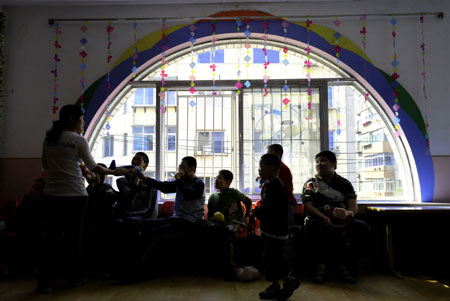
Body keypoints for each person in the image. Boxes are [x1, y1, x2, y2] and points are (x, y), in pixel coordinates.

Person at [36, 104, 129, 294]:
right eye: (81, 119)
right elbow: (94, 167)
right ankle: (74, 278)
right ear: (72, 118)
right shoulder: (78, 140)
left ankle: (45, 282)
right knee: (73, 239)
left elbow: (45, 165)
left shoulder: (49, 139)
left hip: (51, 195)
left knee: (50, 239)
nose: (83, 123)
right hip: (75, 196)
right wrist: (114, 171)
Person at [117, 156, 205, 281]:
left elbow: (188, 194)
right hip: (177, 219)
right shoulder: (182, 183)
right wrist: (143, 177)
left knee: (155, 232)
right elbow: (163, 186)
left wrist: (178, 179)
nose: (179, 169)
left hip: (190, 222)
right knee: (138, 223)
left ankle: (139, 272)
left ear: (192, 169)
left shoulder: (199, 184)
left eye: (183, 167)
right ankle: (131, 266)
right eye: (180, 167)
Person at [302, 150, 370, 284]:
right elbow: (308, 206)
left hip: (342, 218)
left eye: (323, 161)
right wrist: (324, 217)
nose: (319, 164)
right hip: (320, 217)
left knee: (361, 228)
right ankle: (319, 267)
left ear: (333, 163)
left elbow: (352, 206)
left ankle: (347, 267)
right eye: (317, 162)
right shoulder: (311, 183)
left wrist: (348, 216)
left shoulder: (345, 183)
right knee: (312, 225)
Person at [252, 154, 300, 300]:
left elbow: (270, 207)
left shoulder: (276, 186)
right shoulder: (269, 184)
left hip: (276, 230)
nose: (259, 170)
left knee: (273, 258)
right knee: (269, 258)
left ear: (273, 169)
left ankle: (288, 281)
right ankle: (275, 285)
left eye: (262, 168)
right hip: (269, 228)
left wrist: (257, 211)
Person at [206, 169, 252, 279]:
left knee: (227, 233)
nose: (216, 180)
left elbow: (248, 201)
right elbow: (210, 215)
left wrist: (246, 217)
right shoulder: (213, 197)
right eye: (216, 178)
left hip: (235, 222)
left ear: (228, 182)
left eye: (220, 178)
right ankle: (216, 267)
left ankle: (231, 267)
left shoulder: (233, 192)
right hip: (220, 224)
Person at [116, 152, 158, 219]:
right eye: (134, 159)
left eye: (138, 160)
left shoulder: (151, 184)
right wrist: (137, 178)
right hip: (126, 217)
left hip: (143, 219)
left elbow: (153, 208)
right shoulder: (122, 181)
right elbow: (128, 199)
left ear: (145, 165)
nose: (135, 161)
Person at [265, 144, 297, 227]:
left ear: (278, 153)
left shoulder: (283, 168)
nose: (268, 155)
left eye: (270, 152)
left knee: (286, 228)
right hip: (279, 203)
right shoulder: (274, 169)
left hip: (287, 203)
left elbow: (281, 189)